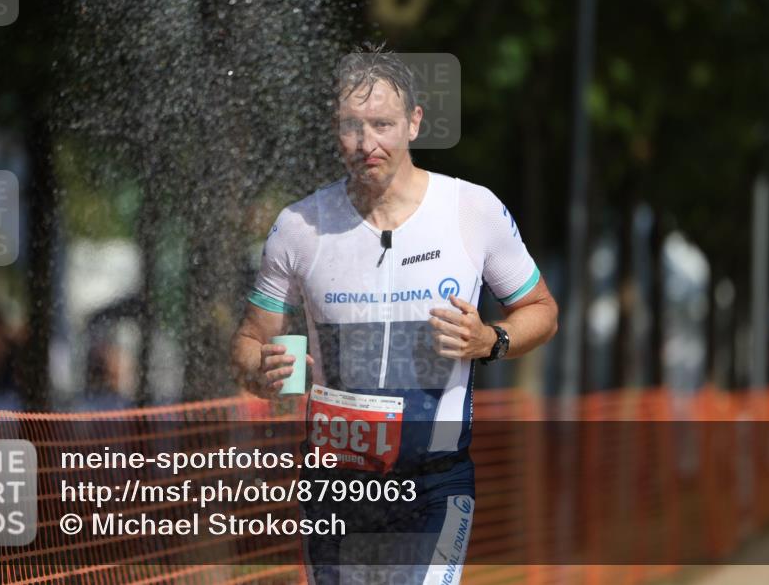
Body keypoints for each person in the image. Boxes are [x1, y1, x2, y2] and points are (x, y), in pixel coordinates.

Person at [229, 45, 558, 584]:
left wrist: (490, 340)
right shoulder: (298, 226)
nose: (367, 144)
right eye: (351, 127)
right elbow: (249, 339)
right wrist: (257, 370)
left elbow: (541, 310)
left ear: (413, 123)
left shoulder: (471, 211)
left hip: (434, 483)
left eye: (382, 124)